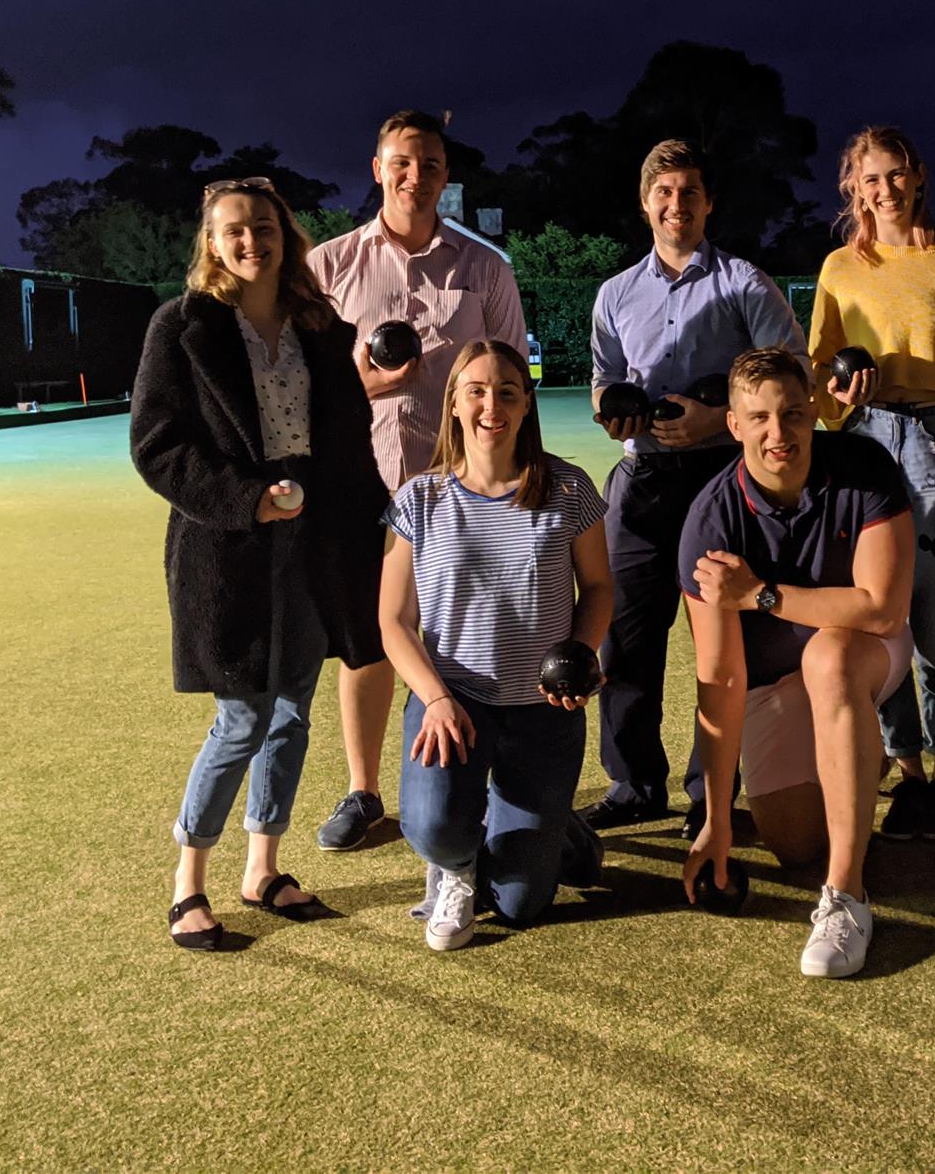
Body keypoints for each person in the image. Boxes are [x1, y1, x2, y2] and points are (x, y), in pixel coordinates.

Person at [131, 177, 388, 950]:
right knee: (241, 718)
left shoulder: (320, 323)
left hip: (317, 540)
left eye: (265, 227)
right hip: (229, 545)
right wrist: (248, 498)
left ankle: (263, 869)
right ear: (211, 242)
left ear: (287, 237)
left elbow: (349, 435)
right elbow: (158, 445)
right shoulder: (179, 326)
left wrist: (367, 514)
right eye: (234, 230)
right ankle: (188, 885)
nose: (252, 241)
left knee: (292, 713)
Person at [307, 110, 528, 853]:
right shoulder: (328, 268)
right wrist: (357, 386)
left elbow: (513, 378)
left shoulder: (483, 268)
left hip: (462, 488)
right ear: (377, 168)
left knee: (481, 634)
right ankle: (365, 792)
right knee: (368, 639)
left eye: (430, 164)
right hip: (360, 485)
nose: (415, 176)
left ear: (445, 175)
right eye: (402, 162)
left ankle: (499, 788)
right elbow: (292, 385)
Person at [579, 139, 810, 838]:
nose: (676, 204)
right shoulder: (615, 293)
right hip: (643, 478)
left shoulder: (744, 283)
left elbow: (794, 368)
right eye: (664, 191)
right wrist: (611, 408)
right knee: (626, 638)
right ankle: (633, 782)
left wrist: (720, 415)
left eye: (689, 192)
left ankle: (713, 788)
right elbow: (601, 381)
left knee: (728, 640)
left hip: (722, 476)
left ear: (707, 202)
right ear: (646, 201)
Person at [678, 347, 916, 979]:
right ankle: (863, 753)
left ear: (814, 411)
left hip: (862, 651)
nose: (776, 433)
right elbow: (722, 677)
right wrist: (717, 821)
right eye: (757, 418)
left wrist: (760, 595)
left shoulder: (864, 465)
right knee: (793, 844)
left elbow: (883, 610)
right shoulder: (709, 520)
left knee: (830, 656)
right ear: (733, 425)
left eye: (791, 414)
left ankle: (847, 895)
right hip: (770, 679)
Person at [378, 339, 613, 948]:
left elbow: (597, 586)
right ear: (454, 404)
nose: (492, 405)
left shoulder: (566, 487)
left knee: (520, 904)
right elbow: (395, 621)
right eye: (476, 391)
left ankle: (558, 830)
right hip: (455, 704)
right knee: (433, 827)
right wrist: (433, 698)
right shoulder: (420, 498)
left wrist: (584, 652)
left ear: (526, 404)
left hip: (543, 707)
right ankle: (453, 870)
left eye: (507, 392)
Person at [807, 126, 935, 843]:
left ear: (917, 177)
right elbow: (819, 376)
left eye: (895, 175)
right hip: (863, 443)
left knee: (931, 619)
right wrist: (840, 392)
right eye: (869, 178)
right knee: (872, 610)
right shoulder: (837, 269)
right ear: (852, 189)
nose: (883, 189)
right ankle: (906, 767)